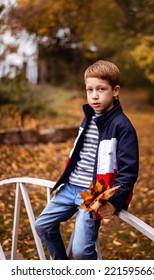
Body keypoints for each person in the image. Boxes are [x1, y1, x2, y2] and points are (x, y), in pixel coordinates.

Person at [35, 60, 139, 260]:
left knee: (82, 251)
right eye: (89, 90)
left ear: (115, 91)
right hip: (71, 186)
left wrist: (114, 201)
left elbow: (129, 171)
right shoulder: (89, 116)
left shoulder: (123, 127)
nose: (94, 96)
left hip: (92, 195)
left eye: (101, 89)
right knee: (42, 225)